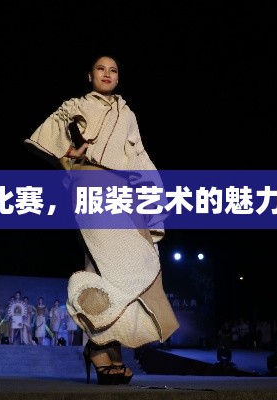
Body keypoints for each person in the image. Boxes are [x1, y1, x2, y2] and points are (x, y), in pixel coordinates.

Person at [24, 54, 179, 384]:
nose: (107, 74)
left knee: (135, 262)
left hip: (125, 190)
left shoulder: (128, 113)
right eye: (100, 69)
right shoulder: (77, 105)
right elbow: (48, 132)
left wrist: (151, 194)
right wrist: (68, 154)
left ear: (118, 78)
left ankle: (106, 345)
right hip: (91, 183)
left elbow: (138, 154)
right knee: (109, 262)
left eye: (113, 70)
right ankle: (98, 348)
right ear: (90, 75)